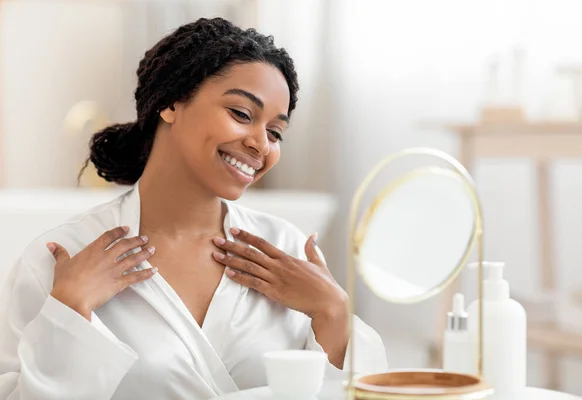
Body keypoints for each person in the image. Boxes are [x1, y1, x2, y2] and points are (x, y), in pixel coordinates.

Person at [0, 17, 387, 399]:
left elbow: (355, 393)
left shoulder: (285, 248)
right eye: (241, 114)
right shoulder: (60, 261)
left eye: (275, 132)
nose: (261, 145)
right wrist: (68, 312)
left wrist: (332, 311)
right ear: (171, 101)